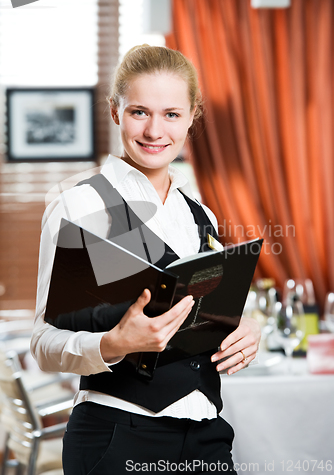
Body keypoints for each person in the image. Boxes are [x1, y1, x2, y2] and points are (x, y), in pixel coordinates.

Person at [31, 45, 261, 474]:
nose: (155, 130)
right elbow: (44, 344)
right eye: (140, 111)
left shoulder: (201, 215)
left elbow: (203, 315)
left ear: (193, 115)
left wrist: (242, 329)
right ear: (115, 111)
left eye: (171, 114)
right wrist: (113, 344)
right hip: (117, 437)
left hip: (208, 435)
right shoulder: (80, 206)